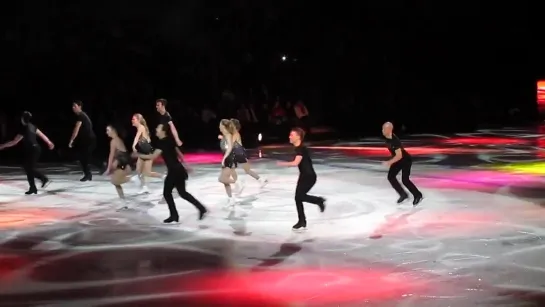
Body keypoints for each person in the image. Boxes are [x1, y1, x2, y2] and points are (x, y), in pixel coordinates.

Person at [135, 124, 207, 223]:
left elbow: (152, 156)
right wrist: (186, 165)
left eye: (158, 128)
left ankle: (174, 215)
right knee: (182, 193)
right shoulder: (169, 139)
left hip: (174, 171)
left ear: (163, 131)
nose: (156, 129)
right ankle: (200, 208)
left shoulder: (162, 142)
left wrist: (137, 154)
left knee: (167, 193)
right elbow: (179, 153)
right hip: (179, 170)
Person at [277, 127, 325, 231]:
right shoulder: (299, 148)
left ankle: (318, 201)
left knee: (299, 197)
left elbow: (295, 163)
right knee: (298, 198)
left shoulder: (301, 149)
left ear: (298, 137)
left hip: (309, 177)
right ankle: (302, 220)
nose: (289, 136)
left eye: (292, 135)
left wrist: (283, 164)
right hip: (304, 176)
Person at [0, 111, 54, 194]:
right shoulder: (33, 126)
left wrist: (3, 146)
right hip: (36, 149)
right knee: (27, 168)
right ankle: (33, 187)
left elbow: (14, 141)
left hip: (33, 150)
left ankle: (43, 179)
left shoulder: (24, 128)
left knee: (29, 168)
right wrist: (49, 142)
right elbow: (42, 136)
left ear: (22, 119)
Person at [381, 122, 423, 206]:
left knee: (405, 180)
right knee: (391, 177)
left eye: (384, 129)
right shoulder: (387, 138)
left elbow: (399, 155)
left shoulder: (395, 140)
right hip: (398, 160)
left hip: (405, 160)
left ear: (389, 130)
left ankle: (418, 195)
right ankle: (403, 194)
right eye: (382, 129)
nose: (382, 130)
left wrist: (389, 162)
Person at [228, 119, 268, 192]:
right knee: (247, 170)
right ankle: (261, 179)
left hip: (237, 152)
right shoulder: (234, 133)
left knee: (231, 168)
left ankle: (238, 184)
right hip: (240, 152)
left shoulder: (235, 133)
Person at [68, 100, 103, 181]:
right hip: (87, 140)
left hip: (89, 140)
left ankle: (99, 166)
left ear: (79, 107)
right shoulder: (82, 115)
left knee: (84, 157)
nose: (73, 108)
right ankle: (89, 173)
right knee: (84, 157)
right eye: (72, 106)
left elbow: (76, 129)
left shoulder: (81, 116)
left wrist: (71, 140)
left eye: (75, 106)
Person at [131, 113, 163, 194]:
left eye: (134, 119)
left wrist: (133, 146)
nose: (132, 120)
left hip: (148, 153)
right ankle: (144, 187)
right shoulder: (140, 128)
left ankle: (163, 177)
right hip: (143, 152)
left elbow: (137, 138)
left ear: (138, 120)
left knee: (147, 173)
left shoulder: (141, 127)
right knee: (138, 170)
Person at [105, 125, 132, 208]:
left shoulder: (113, 141)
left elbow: (111, 155)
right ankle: (123, 203)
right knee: (115, 182)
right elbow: (124, 153)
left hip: (121, 160)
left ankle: (133, 179)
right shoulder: (119, 139)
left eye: (108, 130)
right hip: (123, 160)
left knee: (115, 181)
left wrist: (109, 168)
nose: (107, 132)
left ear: (113, 130)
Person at [218, 119, 240, 208]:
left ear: (223, 126)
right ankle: (231, 199)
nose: (219, 126)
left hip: (230, 159)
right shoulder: (225, 135)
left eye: (220, 125)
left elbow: (230, 148)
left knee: (221, 179)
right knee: (225, 181)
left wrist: (224, 159)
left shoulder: (228, 135)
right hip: (227, 158)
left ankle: (237, 182)